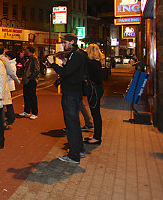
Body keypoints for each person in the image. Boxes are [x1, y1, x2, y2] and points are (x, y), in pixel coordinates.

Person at [47, 33, 87, 164]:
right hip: (74, 92)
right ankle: (79, 150)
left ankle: (74, 155)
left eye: (65, 42)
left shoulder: (76, 55)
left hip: (71, 93)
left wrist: (53, 64)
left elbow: (65, 73)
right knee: (74, 123)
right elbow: (70, 71)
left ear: (72, 42)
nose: (63, 45)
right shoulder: (76, 54)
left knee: (71, 124)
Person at [84, 44, 104, 145]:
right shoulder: (97, 63)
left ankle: (97, 137)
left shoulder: (91, 63)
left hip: (94, 90)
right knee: (96, 113)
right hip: (98, 89)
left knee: (95, 113)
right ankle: (96, 136)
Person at [19, 46, 40, 119]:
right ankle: (27, 111)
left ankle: (34, 113)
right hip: (27, 80)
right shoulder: (29, 58)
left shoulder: (34, 58)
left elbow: (37, 69)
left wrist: (30, 77)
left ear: (29, 51)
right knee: (26, 96)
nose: (25, 52)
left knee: (32, 97)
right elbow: (24, 67)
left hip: (31, 80)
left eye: (26, 51)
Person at [3, 51, 20, 125]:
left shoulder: (11, 65)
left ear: (9, 57)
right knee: (7, 103)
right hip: (8, 86)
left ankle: (11, 118)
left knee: (8, 104)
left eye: (5, 56)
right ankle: (10, 118)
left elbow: (11, 75)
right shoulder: (10, 64)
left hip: (9, 86)